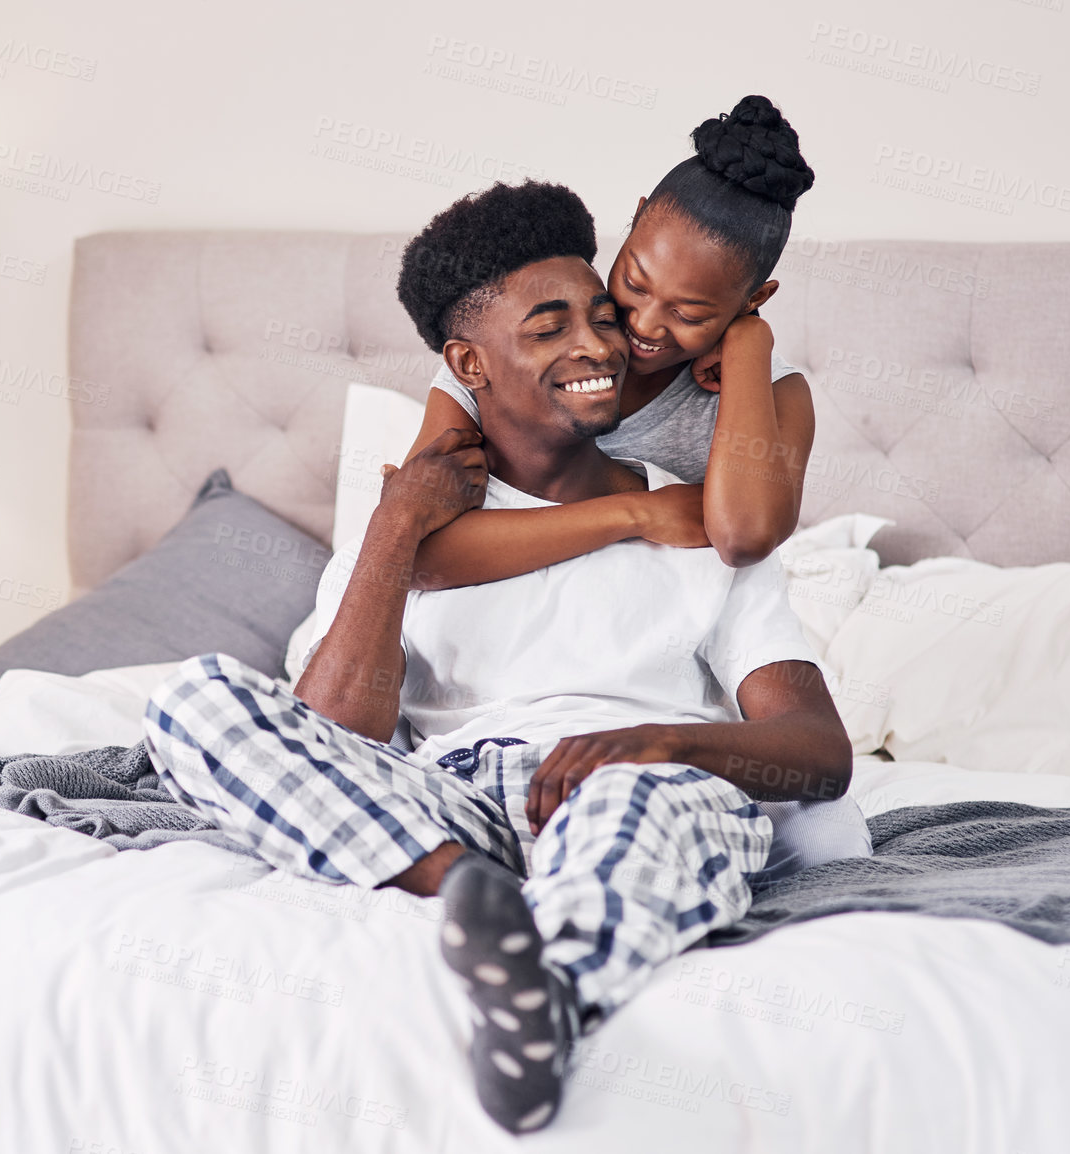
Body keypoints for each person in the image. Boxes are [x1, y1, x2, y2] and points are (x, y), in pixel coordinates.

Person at [142, 181, 853, 1134]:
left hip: (630, 788)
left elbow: (816, 750)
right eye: (548, 327)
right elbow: (336, 732)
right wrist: (394, 525)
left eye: (600, 318)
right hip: (452, 805)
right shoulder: (413, 537)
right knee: (194, 698)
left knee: (641, 803)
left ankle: (547, 989)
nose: (598, 346)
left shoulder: (702, 528)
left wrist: (650, 744)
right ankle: (476, 900)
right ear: (467, 364)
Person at [402, 94, 817, 584]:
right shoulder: (512, 353)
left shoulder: (775, 394)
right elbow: (411, 552)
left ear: (753, 298)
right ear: (636, 218)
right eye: (635, 284)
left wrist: (750, 341)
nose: (643, 325)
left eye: (688, 313)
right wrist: (639, 512)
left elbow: (744, 539)